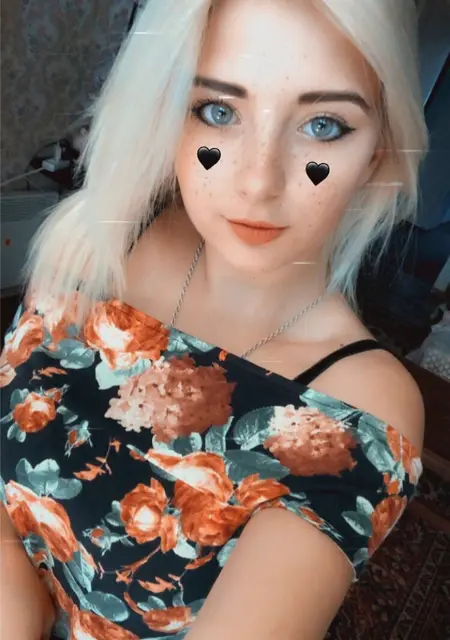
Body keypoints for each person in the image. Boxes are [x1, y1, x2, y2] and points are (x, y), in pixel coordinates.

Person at [0, 0, 428, 638]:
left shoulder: (359, 404)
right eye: (218, 111)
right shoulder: (102, 237)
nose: (257, 181)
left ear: (378, 150)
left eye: (325, 125)